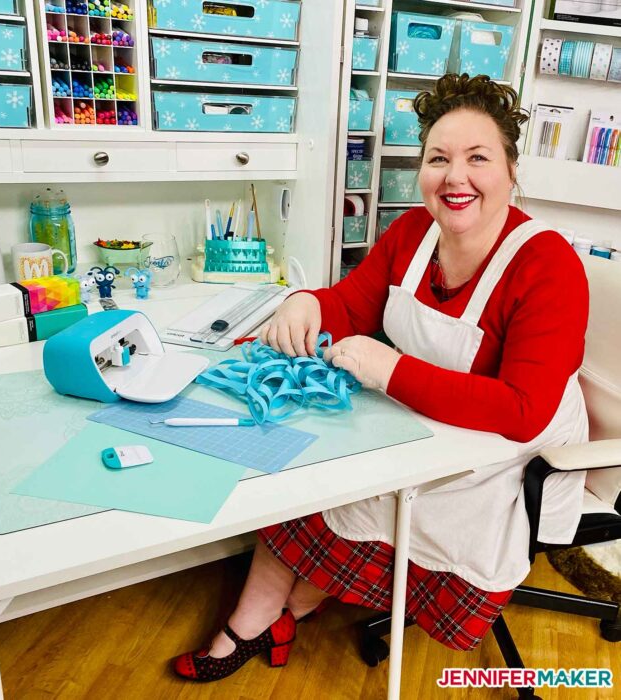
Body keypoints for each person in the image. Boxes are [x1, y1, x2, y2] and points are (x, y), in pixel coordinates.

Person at [173, 73, 589, 682]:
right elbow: (351, 305)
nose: (455, 177)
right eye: (438, 158)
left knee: (355, 486)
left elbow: (523, 408)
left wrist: (391, 368)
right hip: (427, 414)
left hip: (510, 448)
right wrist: (306, 303)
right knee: (308, 461)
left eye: (478, 158)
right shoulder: (413, 234)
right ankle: (273, 612)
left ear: (511, 169)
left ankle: (272, 614)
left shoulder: (547, 265)